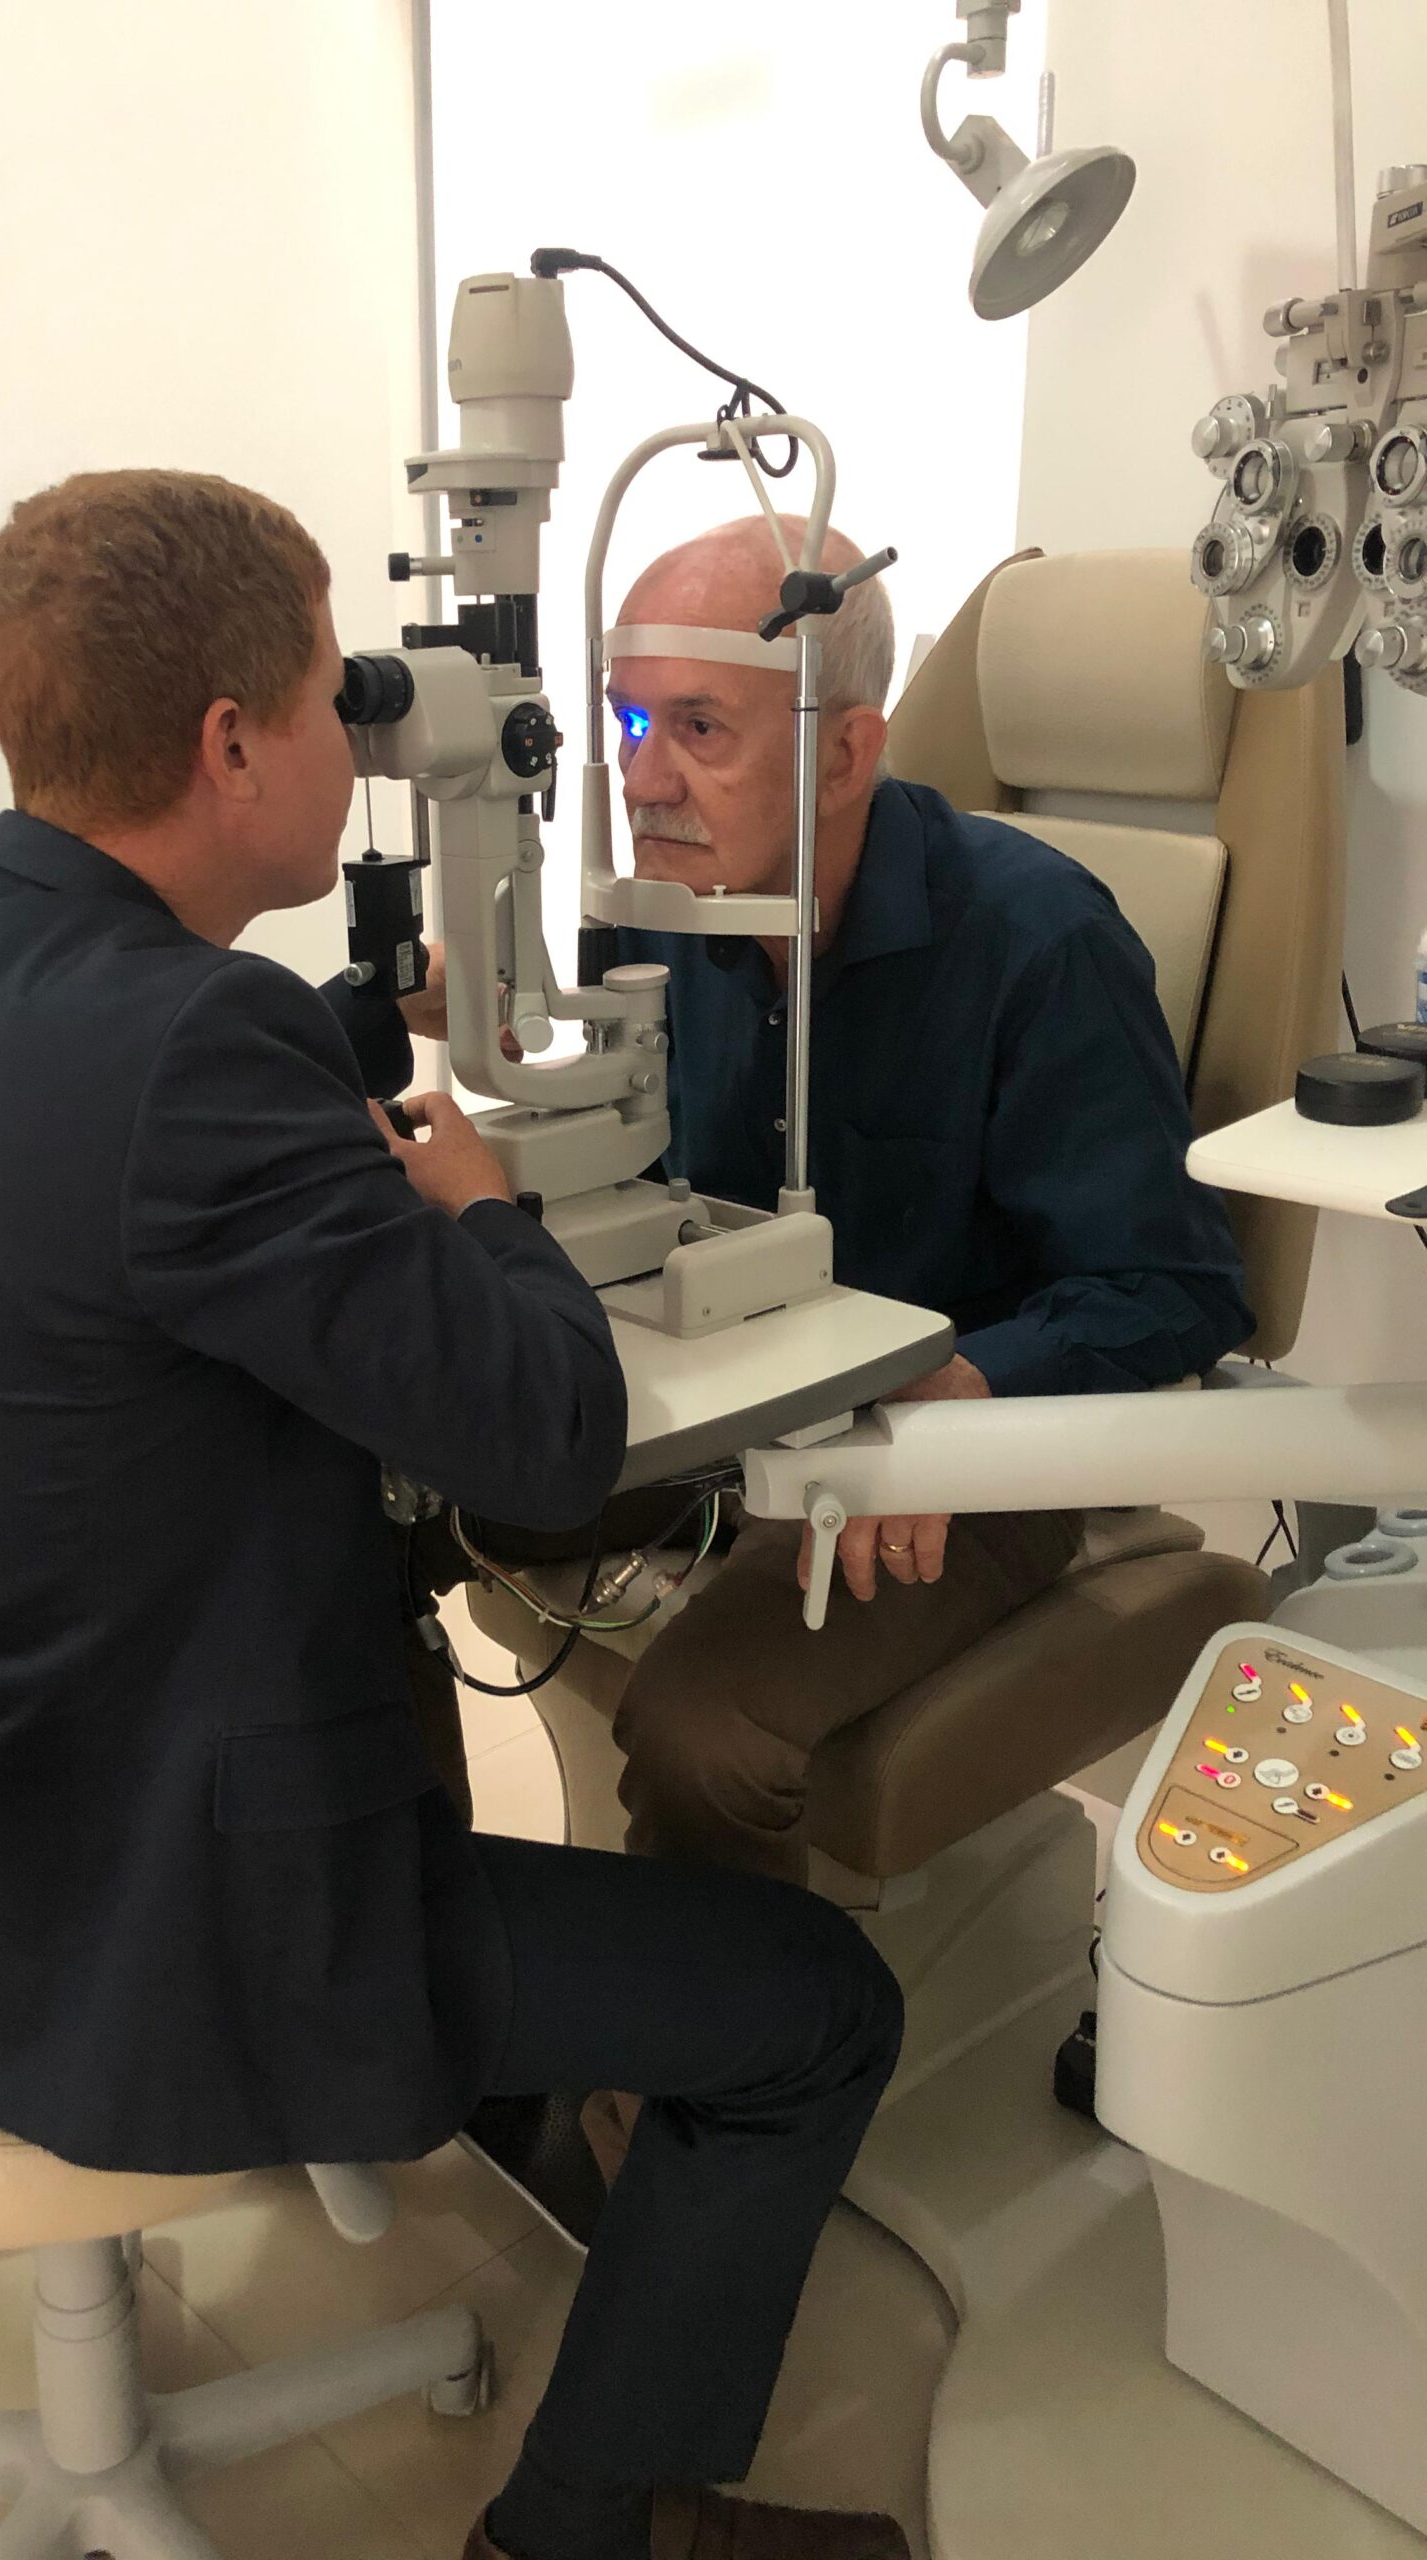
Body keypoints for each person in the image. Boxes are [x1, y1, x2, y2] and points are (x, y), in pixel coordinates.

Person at [0, 471, 907, 2560]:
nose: (358, 736)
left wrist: (343, 1064)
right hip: (167, 1911)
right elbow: (546, 1439)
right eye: (334, 697)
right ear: (233, 742)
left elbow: (100, 1183)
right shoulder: (190, 1048)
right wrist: (480, 1214)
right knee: (815, 2006)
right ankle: (593, 2525)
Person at [411, 513, 1254, 1909]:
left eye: (698, 728)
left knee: (704, 1735)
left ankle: (738, 2047)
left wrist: (961, 1390)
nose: (644, 778)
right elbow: (647, 1164)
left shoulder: (1039, 942)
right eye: (629, 721)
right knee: (385, 1500)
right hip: (727, 1393)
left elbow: (1177, 1287)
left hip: (956, 1440)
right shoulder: (664, 913)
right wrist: (502, 1032)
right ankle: (412, 1947)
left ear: (847, 754)